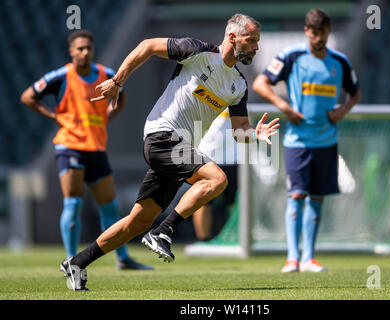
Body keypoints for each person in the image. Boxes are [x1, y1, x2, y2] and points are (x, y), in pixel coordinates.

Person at [59, 14, 280, 291]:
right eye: (252, 40)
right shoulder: (198, 52)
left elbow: (240, 130)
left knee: (137, 221)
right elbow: (148, 46)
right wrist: (118, 81)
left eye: (257, 42)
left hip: (178, 149)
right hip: (161, 136)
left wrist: (254, 135)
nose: (256, 47)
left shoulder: (238, 85)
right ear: (233, 37)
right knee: (217, 180)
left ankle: (77, 262)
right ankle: (163, 231)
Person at [20, 30, 153, 271]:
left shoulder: (108, 75)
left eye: (88, 48)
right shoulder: (60, 77)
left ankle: (122, 258)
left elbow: (121, 98)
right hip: (69, 146)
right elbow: (28, 96)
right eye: (79, 48)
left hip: (96, 148)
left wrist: (107, 117)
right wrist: (53, 116)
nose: (84, 52)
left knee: (110, 207)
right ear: (71, 51)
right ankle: (72, 261)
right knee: (73, 203)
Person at [253, 9, 361, 273]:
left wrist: (341, 111)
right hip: (297, 142)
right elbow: (260, 83)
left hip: (326, 140)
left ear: (328, 31)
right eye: (313, 32)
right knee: (296, 195)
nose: (318, 37)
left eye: (322, 32)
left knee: (317, 198)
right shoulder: (292, 56)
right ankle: (291, 258)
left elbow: (355, 93)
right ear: (306, 31)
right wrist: (284, 106)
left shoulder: (340, 62)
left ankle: (309, 258)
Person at [193, 109, 239, 241]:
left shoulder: (238, 91)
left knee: (234, 200)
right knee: (204, 200)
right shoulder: (200, 91)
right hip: (207, 154)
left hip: (235, 156)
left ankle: (234, 237)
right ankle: (204, 240)